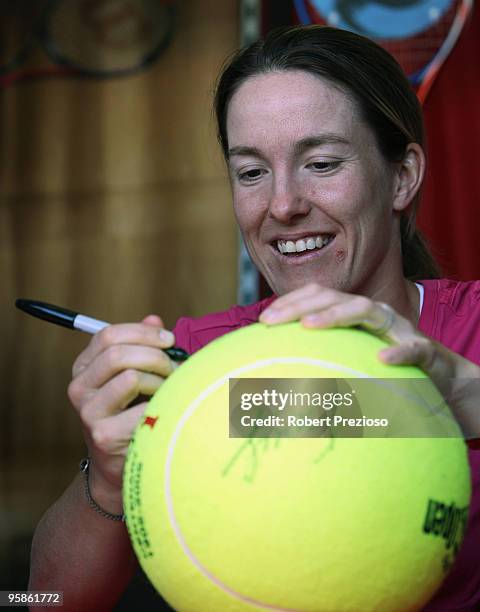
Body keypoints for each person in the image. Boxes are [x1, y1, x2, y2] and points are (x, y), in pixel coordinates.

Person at [29, 25, 480, 611]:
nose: (283, 204)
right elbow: (39, 600)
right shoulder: (193, 362)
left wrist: (452, 390)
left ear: (402, 176)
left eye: (320, 163)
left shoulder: (470, 328)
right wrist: (110, 477)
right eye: (250, 172)